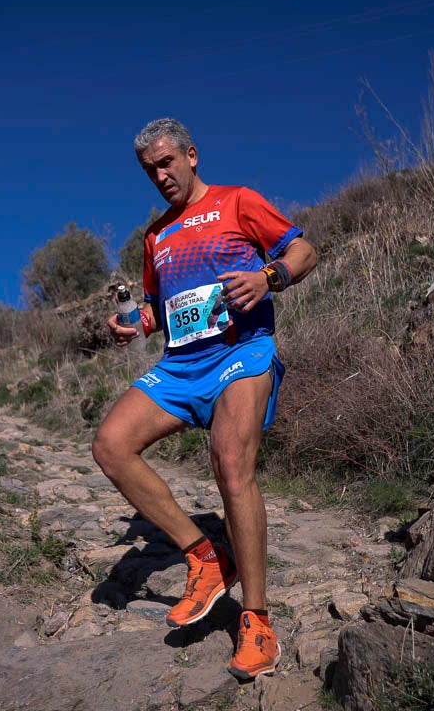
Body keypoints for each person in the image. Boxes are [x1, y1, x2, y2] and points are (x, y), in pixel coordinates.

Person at [92, 118, 318, 680]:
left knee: (231, 463)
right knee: (111, 445)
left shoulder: (238, 202)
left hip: (242, 352)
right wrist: (138, 323)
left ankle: (258, 622)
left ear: (192, 155)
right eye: (150, 170)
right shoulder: (155, 236)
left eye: (168, 162)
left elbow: (306, 251)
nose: (161, 175)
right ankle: (204, 554)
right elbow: (158, 307)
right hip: (180, 365)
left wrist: (272, 277)